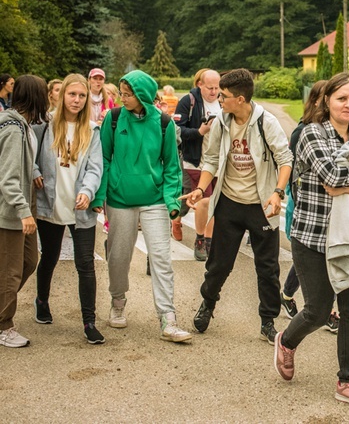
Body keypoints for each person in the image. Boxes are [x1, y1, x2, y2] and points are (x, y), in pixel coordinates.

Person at [273, 72, 349, 409]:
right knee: (318, 312)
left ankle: (347, 380)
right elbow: (329, 174)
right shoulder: (310, 133)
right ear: (327, 101)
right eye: (342, 98)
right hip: (313, 235)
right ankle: (287, 341)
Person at [184, 69, 293, 344]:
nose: (220, 100)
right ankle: (208, 303)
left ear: (241, 99)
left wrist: (278, 192)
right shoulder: (221, 122)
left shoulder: (265, 122)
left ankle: (268, 321)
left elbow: (285, 159)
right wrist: (199, 189)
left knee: (267, 267)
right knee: (219, 264)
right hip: (230, 203)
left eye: (225, 96)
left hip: (261, 205)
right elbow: (209, 161)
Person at [91, 69, 192, 343]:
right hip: (120, 200)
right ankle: (118, 301)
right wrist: (100, 197)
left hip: (155, 200)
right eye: (121, 93)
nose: (122, 98)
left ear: (142, 95)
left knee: (160, 257)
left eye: (128, 94)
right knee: (119, 257)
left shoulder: (163, 123)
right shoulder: (112, 120)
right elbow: (104, 160)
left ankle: (168, 318)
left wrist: (172, 201)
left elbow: (172, 166)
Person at [32, 73, 104, 344]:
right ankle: (42, 301)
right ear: (61, 96)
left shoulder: (92, 130)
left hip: (80, 207)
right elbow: (30, 154)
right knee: (49, 257)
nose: (77, 100)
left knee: (85, 264)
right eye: (72, 94)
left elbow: (96, 167)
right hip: (50, 203)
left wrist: (87, 191)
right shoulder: (44, 125)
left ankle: (89, 322)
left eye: (82, 95)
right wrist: (35, 170)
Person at [281, 79, 340, 331]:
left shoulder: (338, 131)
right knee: (309, 255)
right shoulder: (302, 131)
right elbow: (294, 169)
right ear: (317, 101)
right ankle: (312, 305)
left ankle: (298, 299)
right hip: (304, 203)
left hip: (333, 207)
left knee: (327, 256)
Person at [0, 74, 47, 347]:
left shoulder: (24, 125)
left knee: (30, 260)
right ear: (36, 97)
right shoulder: (12, 128)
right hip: (11, 208)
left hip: (24, 202)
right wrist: (23, 210)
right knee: (10, 270)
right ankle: (4, 326)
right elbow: (7, 177)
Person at [174, 69, 221, 257]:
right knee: (205, 201)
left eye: (217, 87)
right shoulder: (188, 102)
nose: (214, 91)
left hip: (218, 161)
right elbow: (176, 131)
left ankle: (177, 219)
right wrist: (199, 132)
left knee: (211, 201)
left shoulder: (224, 102)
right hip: (194, 160)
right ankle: (202, 241)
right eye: (210, 87)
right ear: (199, 85)